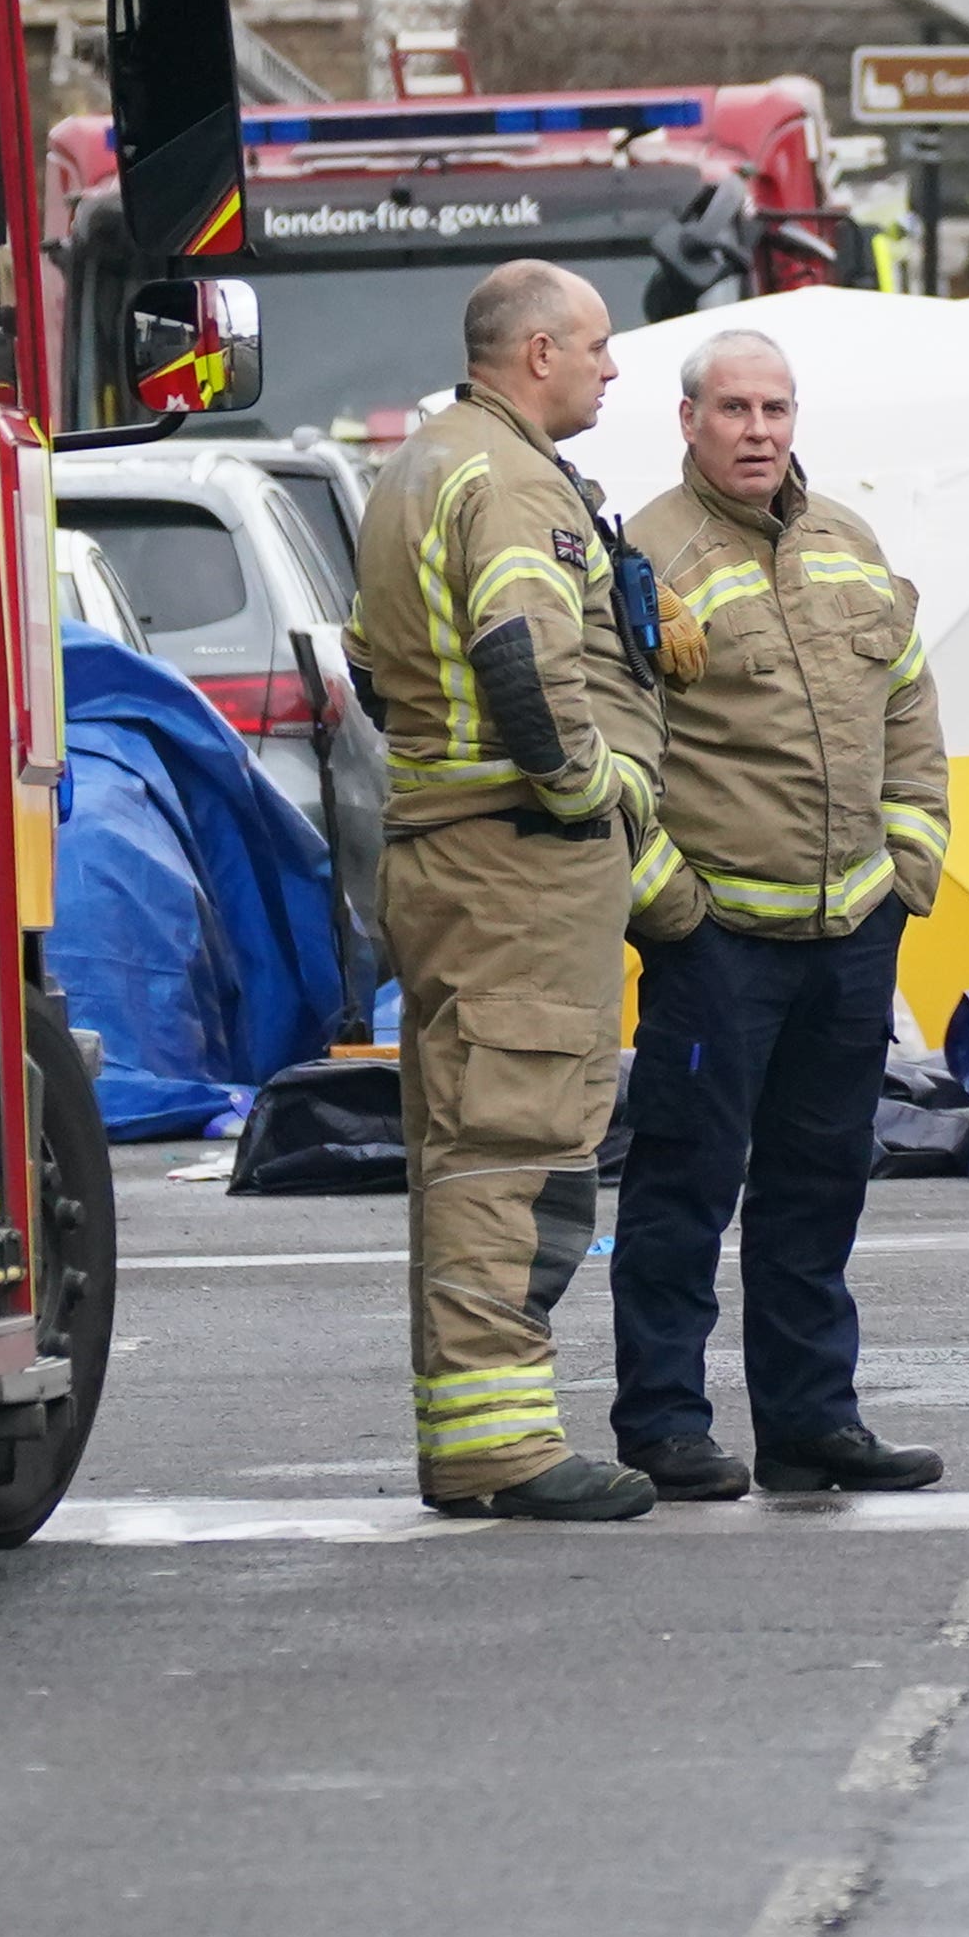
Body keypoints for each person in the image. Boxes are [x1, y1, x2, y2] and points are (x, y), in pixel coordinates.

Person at [344, 262, 703, 1520]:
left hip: (446, 852)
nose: (614, 369)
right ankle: (505, 1443)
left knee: (462, 1146)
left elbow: (369, 665)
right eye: (599, 347)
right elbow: (519, 653)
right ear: (538, 350)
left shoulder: (421, 465)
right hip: (516, 869)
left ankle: (474, 1433)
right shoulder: (511, 481)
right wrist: (587, 788)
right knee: (520, 1145)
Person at [613, 327, 949, 1500]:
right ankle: (663, 1423)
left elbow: (908, 697)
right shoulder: (646, 554)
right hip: (719, 943)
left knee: (821, 1184)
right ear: (689, 419)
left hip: (851, 931)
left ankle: (811, 1423)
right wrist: (670, 908)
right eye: (736, 410)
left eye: (777, 409)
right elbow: (617, 742)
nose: (759, 431)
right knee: (684, 1184)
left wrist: (909, 861)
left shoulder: (847, 540)